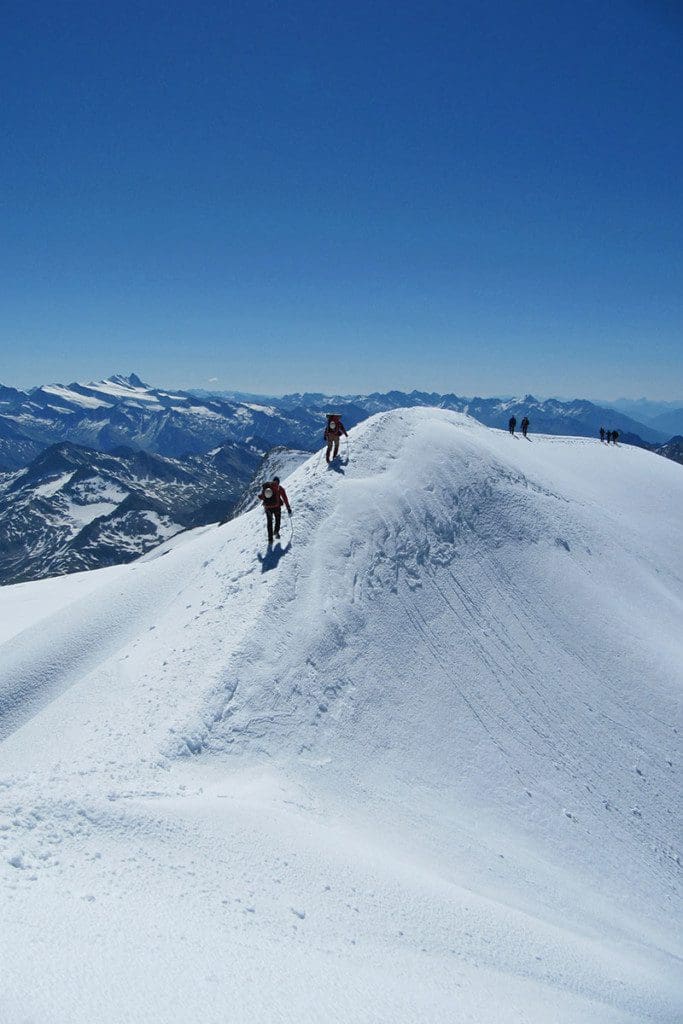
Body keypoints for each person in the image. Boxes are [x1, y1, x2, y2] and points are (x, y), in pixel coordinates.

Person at [258, 476, 291, 544]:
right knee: (277, 520)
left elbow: (261, 497)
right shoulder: (280, 488)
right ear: (278, 482)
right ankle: (276, 532)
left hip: (268, 508)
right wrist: (288, 507)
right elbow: (285, 498)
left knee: (269, 523)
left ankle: (270, 539)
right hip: (277, 507)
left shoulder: (268, 487)